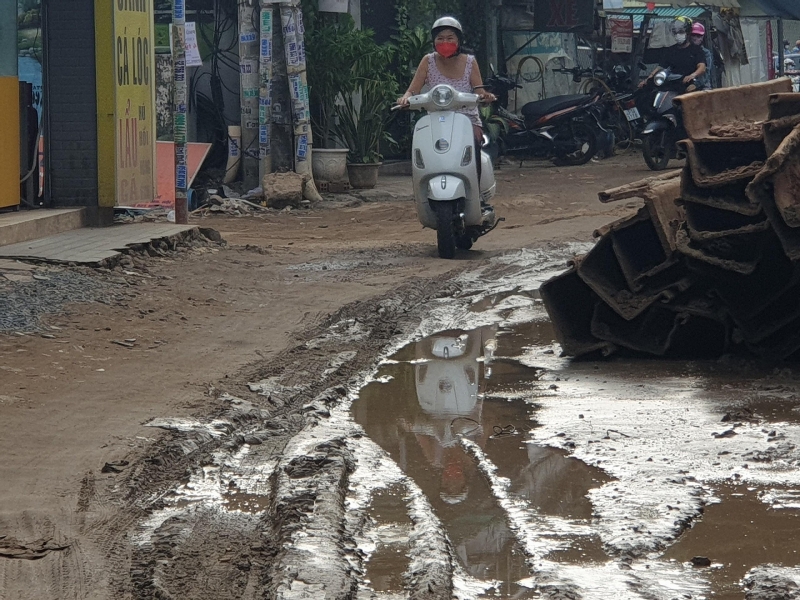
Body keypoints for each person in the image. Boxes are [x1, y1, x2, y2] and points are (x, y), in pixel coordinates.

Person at [397, 17, 495, 185]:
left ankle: (476, 189)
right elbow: (413, 89)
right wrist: (406, 98)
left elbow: (479, 91)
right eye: (440, 38)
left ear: (459, 40)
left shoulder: (470, 62)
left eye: (450, 38)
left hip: (467, 120)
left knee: (474, 142)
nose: (445, 42)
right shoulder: (428, 61)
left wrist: (485, 97)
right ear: (434, 41)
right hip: (437, 120)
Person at [640, 16, 706, 88]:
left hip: (689, 83)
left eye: (681, 32)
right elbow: (660, 67)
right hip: (672, 83)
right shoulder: (670, 50)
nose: (678, 35)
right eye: (675, 32)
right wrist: (647, 79)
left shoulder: (696, 50)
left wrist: (692, 75)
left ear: (688, 32)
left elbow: (702, 67)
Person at [690, 22, 715, 89]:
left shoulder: (706, 53)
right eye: (693, 35)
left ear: (702, 37)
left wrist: (696, 84)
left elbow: (706, 72)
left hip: (703, 86)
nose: (695, 38)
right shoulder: (685, 51)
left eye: (698, 36)